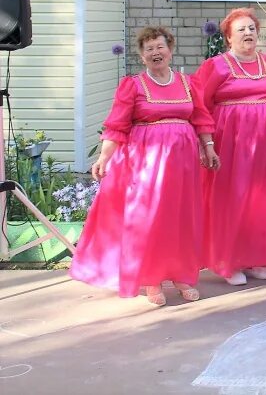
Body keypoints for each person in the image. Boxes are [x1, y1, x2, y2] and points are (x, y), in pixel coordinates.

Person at [70, 26, 218, 305]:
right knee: (150, 220)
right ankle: (152, 278)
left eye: (160, 47)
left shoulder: (188, 83)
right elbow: (117, 125)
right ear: (142, 56)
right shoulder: (133, 85)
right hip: (146, 164)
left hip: (183, 165)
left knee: (181, 219)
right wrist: (104, 157)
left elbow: (201, 118)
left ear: (170, 50)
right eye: (149, 49)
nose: (155, 52)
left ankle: (181, 275)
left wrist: (208, 147)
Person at [195, 8, 266, 286]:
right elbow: (200, 105)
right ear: (228, 37)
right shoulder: (216, 66)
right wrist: (205, 144)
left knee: (263, 200)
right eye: (241, 29)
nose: (248, 33)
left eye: (251, 28)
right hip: (230, 143)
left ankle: (256, 258)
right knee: (231, 199)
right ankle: (228, 261)